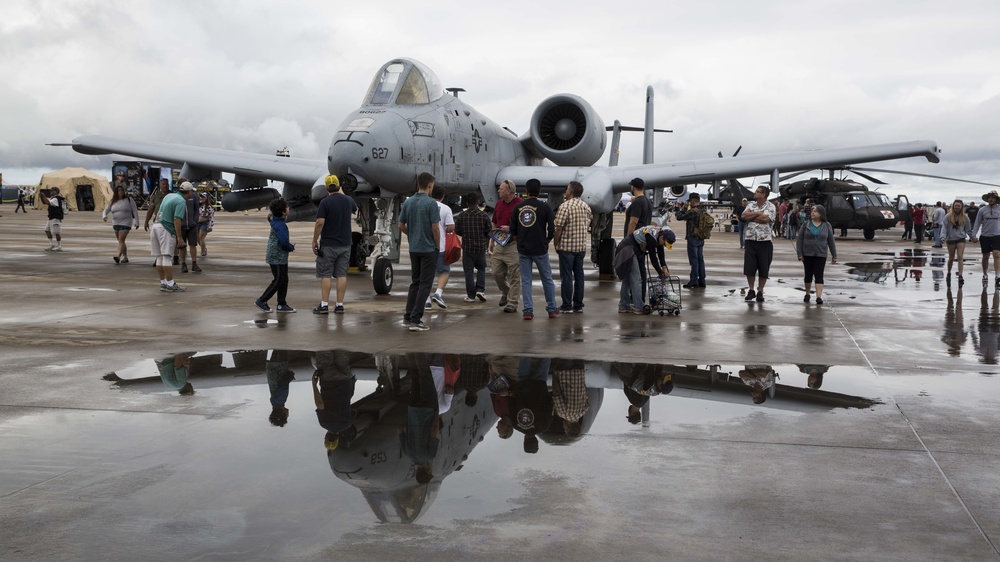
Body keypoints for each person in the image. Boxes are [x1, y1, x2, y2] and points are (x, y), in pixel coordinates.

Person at [510, 178, 557, 320]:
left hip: (524, 249)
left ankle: (528, 310)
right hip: (540, 248)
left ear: (526, 190)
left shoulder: (518, 208)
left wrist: (520, 241)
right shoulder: (545, 207)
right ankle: (552, 308)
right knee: (547, 279)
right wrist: (546, 241)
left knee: (526, 280)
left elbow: (513, 230)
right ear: (540, 191)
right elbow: (552, 228)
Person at [398, 172, 440, 331]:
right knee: (425, 284)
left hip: (414, 248)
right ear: (430, 186)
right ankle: (416, 319)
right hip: (428, 248)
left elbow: (400, 225)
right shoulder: (431, 204)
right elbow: (435, 228)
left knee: (415, 282)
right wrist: (438, 245)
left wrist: (412, 234)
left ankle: (408, 317)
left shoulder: (408, 202)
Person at [311, 175, 358, 314]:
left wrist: (314, 240)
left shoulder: (325, 202)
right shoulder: (348, 200)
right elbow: (355, 210)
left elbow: (320, 222)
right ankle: (339, 305)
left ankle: (324, 305)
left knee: (326, 274)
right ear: (339, 186)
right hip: (345, 244)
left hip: (329, 244)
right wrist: (343, 194)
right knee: (341, 274)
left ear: (326, 188)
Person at [399, 353, 441, 483]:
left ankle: (418, 351)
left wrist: (436, 414)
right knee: (415, 378)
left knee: (425, 375)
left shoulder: (429, 455)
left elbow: (434, 431)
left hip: (428, 409)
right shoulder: (408, 453)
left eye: (430, 471)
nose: (431, 469)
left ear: (427, 471)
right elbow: (400, 429)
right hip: (413, 409)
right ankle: (410, 354)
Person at [553, 181, 593, 314]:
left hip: (567, 247)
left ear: (570, 192)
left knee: (566, 277)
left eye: (567, 189)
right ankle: (578, 304)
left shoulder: (565, 206)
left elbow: (558, 227)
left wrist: (556, 243)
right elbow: (589, 223)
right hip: (580, 247)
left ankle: (566, 305)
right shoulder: (586, 206)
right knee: (579, 276)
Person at [615, 225, 674, 313]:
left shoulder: (658, 235)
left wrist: (664, 267)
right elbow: (653, 258)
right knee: (637, 279)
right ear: (662, 238)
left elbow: (661, 253)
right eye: (665, 243)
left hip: (627, 249)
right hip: (628, 250)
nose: (664, 246)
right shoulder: (652, 238)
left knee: (627, 280)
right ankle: (639, 307)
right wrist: (660, 273)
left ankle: (623, 305)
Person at [151, 181, 195, 291]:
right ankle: (170, 283)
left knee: (159, 256)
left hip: (156, 225)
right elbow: (177, 219)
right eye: (191, 192)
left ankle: (163, 282)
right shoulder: (181, 201)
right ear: (189, 192)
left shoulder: (169, 196)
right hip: (166, 228)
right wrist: (179, 238)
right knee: (166, 256)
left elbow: (159, 211)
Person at [255, 198, 297, 313]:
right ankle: (262, 300)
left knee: (284, 279)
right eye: (287, 207)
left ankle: (281, 304)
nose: (288, 209)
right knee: (279, 280)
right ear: (283, 212)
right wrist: (290, 247)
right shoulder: (280, 224)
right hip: (277, 256)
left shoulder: (276, 220)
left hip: (277, 256)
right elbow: (283, 241)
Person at [489, 179, 522, 313]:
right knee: (496, 272)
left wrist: (511, 229)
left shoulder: (520, 204)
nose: (498, 191)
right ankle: (506, 291)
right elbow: (494, 222)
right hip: (499, 243)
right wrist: (491, 241)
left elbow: (524, 224)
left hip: (513, 244)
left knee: (515, 274)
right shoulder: (499, 204)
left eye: (501, 189)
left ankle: (512, 303)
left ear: (509, 191)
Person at [453, 192, 492, 303]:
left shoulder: (462, 216)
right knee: (481, 268)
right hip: (480, 247)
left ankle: (470, 295)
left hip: (467, 247)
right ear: (478, 202)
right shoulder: (484, 216)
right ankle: (480, 289)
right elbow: (489, 231)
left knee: (468, 271)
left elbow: (457, 230)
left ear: (467, 202)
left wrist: (465, 235)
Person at [795, 204, 837, 305]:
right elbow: (799, 240)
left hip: (821, 254)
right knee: (808, 274)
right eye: (812, 211)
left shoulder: (827, 225)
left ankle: (818, 297)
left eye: (815, 211)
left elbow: (831, 241)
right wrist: (799, 253)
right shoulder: (806, 224)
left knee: (819, 275)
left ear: (821, 214)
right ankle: (807, 293)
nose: (812, 212)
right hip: (807, 254)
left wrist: (834, 255)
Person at [741, 186, 777, 302]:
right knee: (749, 267)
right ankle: (751, 290)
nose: (755, 193)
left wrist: (752, 217)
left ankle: (760, 290)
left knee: (763, 268)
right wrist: (757, 213)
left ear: (764, 195)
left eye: (758, 192)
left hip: (765, 241)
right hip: (751, 240)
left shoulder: (771, 206)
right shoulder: (751, 205)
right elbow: (743, 216)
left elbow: (766, 219)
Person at [427, 184, 455, 309]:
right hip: (441, 246)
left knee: (427, 274)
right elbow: (450, 227)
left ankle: (426, 300)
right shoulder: (446, 208)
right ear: (443, 197)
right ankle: (438, 293)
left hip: (425, 245)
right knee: (444, 271)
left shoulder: (425, 205)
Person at [674, 193, 709, 289]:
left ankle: (694, 280)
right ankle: (702, 280)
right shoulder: (703, 210)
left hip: (692, 236)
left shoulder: (693, 211)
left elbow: (679, 217)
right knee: (700, 259)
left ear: (693, 201)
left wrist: (682, 208)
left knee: (694, 260)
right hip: (701, 237)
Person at [101, 183, 140, 263]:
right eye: (119, 190)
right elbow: (106, 210)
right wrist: (104, 216)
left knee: (121, 240)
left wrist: (137, 222)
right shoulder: (113, 201)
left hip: (126, 222)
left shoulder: (129, 200)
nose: (121, 192)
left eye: (122, 190)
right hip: (116, 223)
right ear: (116, 192)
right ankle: (125, 257)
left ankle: (118, 256)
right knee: (121, 241)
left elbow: (135, 211)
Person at [970, 190, 1000, 290]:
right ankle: (985, 274)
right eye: (989, 197)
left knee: (997, 254)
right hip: (985, 235)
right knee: (986, 256)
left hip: (997, 235)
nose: (991, 199)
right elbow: (977, 222)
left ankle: (997, 275)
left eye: (993, 198)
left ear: (996, 199)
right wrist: (973, 235)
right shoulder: (982, 210)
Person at [943, 199, 972, 287]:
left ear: (961, 207)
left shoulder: (965, 217)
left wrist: (973, 237)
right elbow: (944, 228)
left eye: (959, 206)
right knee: (951, 258)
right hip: (951, 239)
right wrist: (942, 237)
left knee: (960, 256)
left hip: (961, 238)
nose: (957, 207)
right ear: (953, 206)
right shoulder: (948, 217)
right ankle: (948, 273)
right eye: (956, 205)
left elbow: (968, 229)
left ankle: (960, 275)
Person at [176, 185, 202, 273]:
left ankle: (194, 263)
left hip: (191, 225)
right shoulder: (178, 197)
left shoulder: (193, 197)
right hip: (181, 226)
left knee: (193, 244)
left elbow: (196, 209)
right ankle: (183, 264)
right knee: (182, 246)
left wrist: (195, 221)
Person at [39, 187, 67, 251]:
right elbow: (44, 202)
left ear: (56, 191)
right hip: (51, 217)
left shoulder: (56, 199)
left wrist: (43, 196)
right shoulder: (53, 198)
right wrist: (42, 197)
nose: (50, 192)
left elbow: (47, 202)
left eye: (52, 191)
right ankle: (52, 244)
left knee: (57, 232)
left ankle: (59, 246)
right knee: (47, 230)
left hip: (56, 217)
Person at [197, 192, 215, 257]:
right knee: (197, 239)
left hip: (204, 223)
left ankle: (202, 252)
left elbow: (211, 217)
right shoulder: (198, 206)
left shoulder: (209, 207)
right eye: (201, 197)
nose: (201, 198)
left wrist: (210, 226)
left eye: (203, 197)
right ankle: (204, 248)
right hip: (197, 223)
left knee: (201, 237)